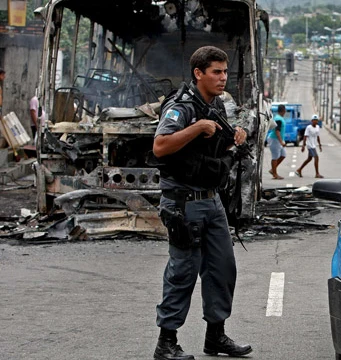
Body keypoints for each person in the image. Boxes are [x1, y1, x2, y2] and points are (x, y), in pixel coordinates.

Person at [151, 45, 251, 360]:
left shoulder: (216, 105)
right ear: (199, 74)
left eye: (224, 71)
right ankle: (166, 343)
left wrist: (237, 134)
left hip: (212, 200)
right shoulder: (181, 108)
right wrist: (197, 128)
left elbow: (218, 141)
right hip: (183, 202)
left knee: (222, 269)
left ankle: (216, 337)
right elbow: (160, 146)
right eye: (216, 72)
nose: (223, 78)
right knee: (183, 271)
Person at [267, 104, 287, 179]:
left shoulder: (280, 118)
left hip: (278, 139)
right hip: (274, 139)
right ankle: (275, 174)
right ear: (283, 110)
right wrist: (281, 141)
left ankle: (273, 169)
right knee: (275, 157)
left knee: (283, 155)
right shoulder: (278, 119)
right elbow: (277, 131)